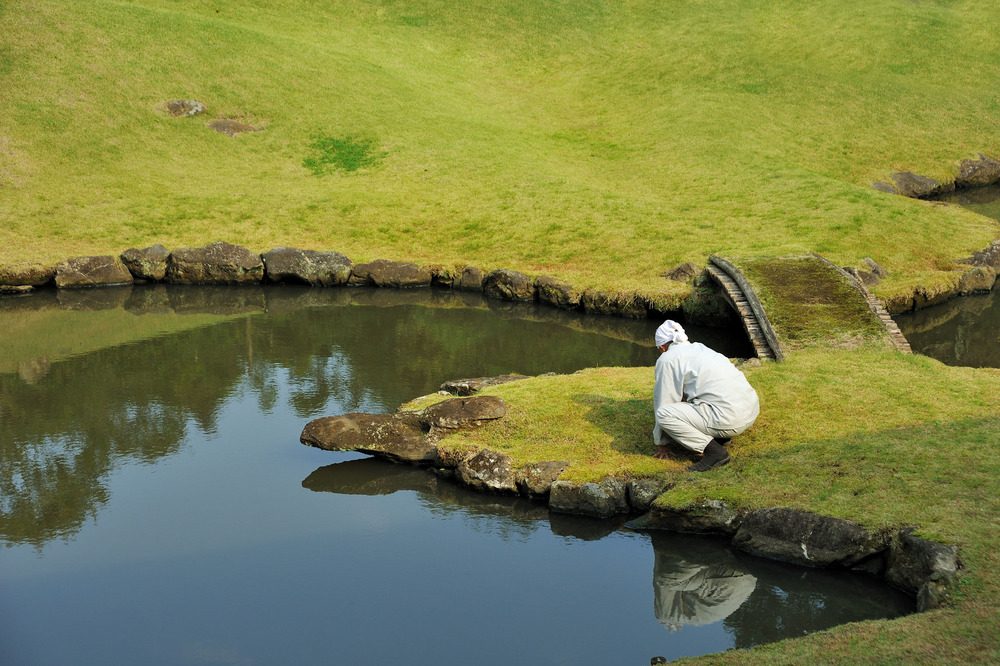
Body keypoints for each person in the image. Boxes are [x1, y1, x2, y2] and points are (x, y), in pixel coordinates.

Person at [652, 320, 759, 472]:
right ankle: (721, 436)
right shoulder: (701, 348)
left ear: (662, 347)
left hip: (730, 420)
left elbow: (664, 401)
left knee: (664, 414)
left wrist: (662, 442)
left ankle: (715, 452)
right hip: (750, 411)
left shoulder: (667, 358)